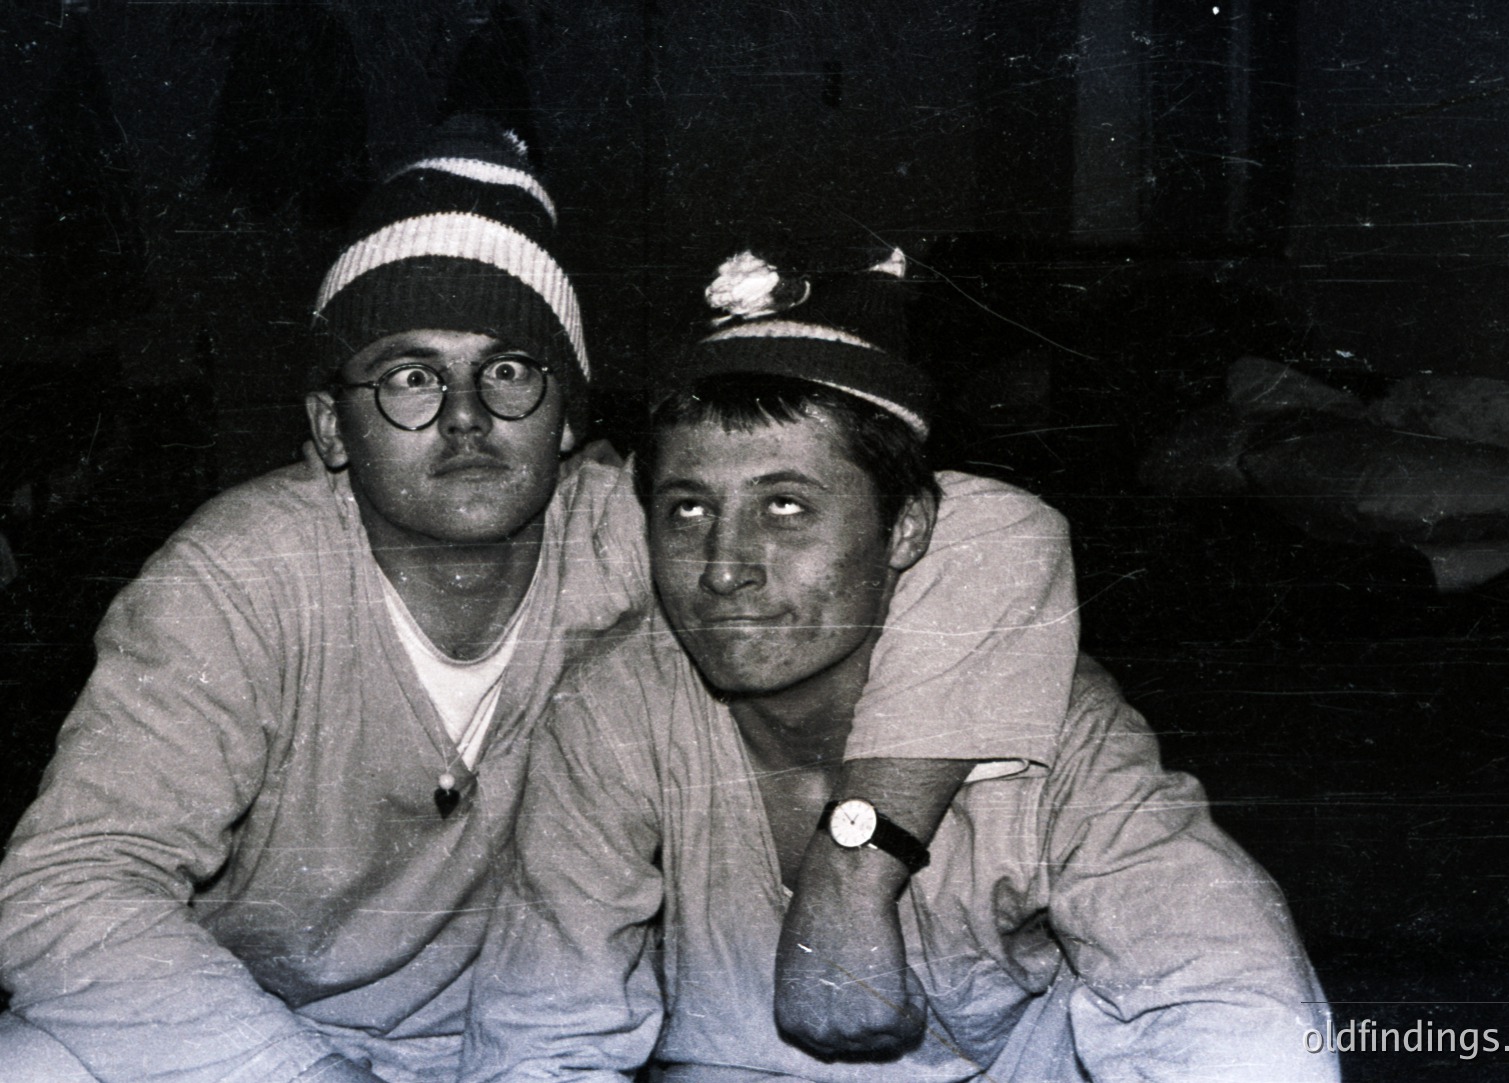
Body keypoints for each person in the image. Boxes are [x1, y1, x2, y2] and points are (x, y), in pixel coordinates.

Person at [0, 120, 1079, 1082]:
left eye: (512, 371)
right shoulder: (238, 580)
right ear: (332, 427)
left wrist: (858, 862)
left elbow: (993, 529)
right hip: (253, 1042)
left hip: (542, 1049)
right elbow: (61, 889)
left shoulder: (625, 530)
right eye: (410, 378)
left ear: (567, 416)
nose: (468, 419)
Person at [461, 253, 1338, 1082]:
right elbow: (540, 1036)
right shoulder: (617, 714)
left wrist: (852, 871)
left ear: (911, 527)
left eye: (786, 506)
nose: (725, 564)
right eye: (687, 508)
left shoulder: (1049, 722)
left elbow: (1233, 995)